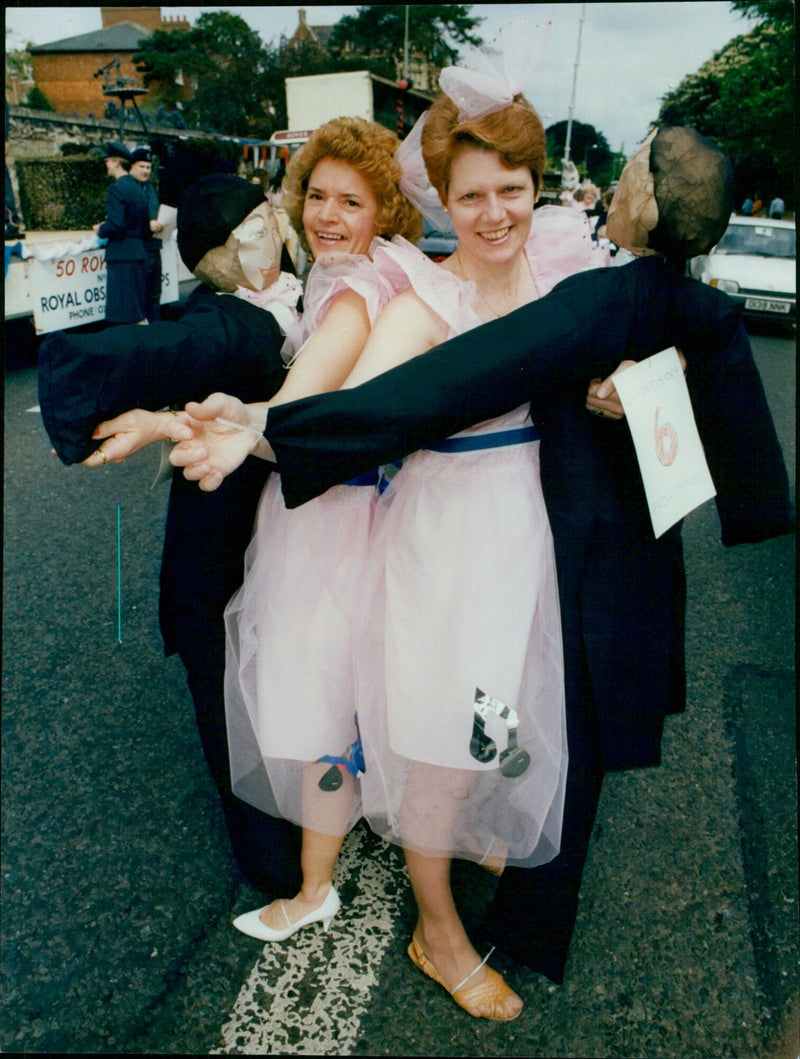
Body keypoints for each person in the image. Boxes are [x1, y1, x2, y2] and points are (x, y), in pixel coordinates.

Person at [172, 124, 792, 991]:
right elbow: (368, 407)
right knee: (437, 741)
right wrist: (251, 427)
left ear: (537, 189)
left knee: (496, 712)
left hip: (534, 531)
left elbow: (659, 322)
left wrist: (648, 373)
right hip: (445, 538)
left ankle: (469, 830)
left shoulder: (567, 274)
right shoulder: (421, 305)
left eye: (510, 190)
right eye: (469, 196)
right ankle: (439, 928)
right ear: (441, 202)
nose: (493, 213)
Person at [39, 175, 307, 895]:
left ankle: (301, 833)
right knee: (225, 692)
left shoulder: (296, 298)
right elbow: (168, 349)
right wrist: (77, 375)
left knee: (267, 681)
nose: (264, 244)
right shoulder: (230, 320)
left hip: (273, 539)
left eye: (264, 223)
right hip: (218, 550)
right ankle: (272, 862)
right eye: (241, 238)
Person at [201, 119, 426, 963]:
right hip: (359, 510)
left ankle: (312, 891)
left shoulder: (352, 293)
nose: (329, 214)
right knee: (354, 693)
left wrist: (213, 422)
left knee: (317, 702)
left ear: (383, 210)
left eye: (351, 201)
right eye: (318, 196)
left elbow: (295, 418)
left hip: (322, 521)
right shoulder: (367, 276)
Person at [92, 142, 152, 325]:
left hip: (121, 256)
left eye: (108, 161)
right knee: (137, 311)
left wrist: (100, 229)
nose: (106, 165)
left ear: (116, 162)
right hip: (137, 252)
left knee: (123, 315)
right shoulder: (139, 189)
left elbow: (115, 224)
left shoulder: (116, 189)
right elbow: (144, 226)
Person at [129, 145, 164, 323]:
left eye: (148, 167)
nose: (145, 171)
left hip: (154, 247)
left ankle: (156, 332)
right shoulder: (126, 188)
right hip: (139, 249)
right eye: (141, 167)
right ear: (132, 167)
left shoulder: (150, 188)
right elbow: (124, 220)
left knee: (154, 295)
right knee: (140, 296)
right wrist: (147, 225)